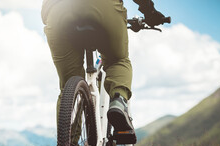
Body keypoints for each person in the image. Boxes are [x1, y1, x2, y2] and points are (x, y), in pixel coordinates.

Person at [42, 0, 165, 132]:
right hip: (102, 7)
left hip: (57, 13)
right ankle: (118, 101)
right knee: (117, 60)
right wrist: (150, 12)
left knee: (68, 84)